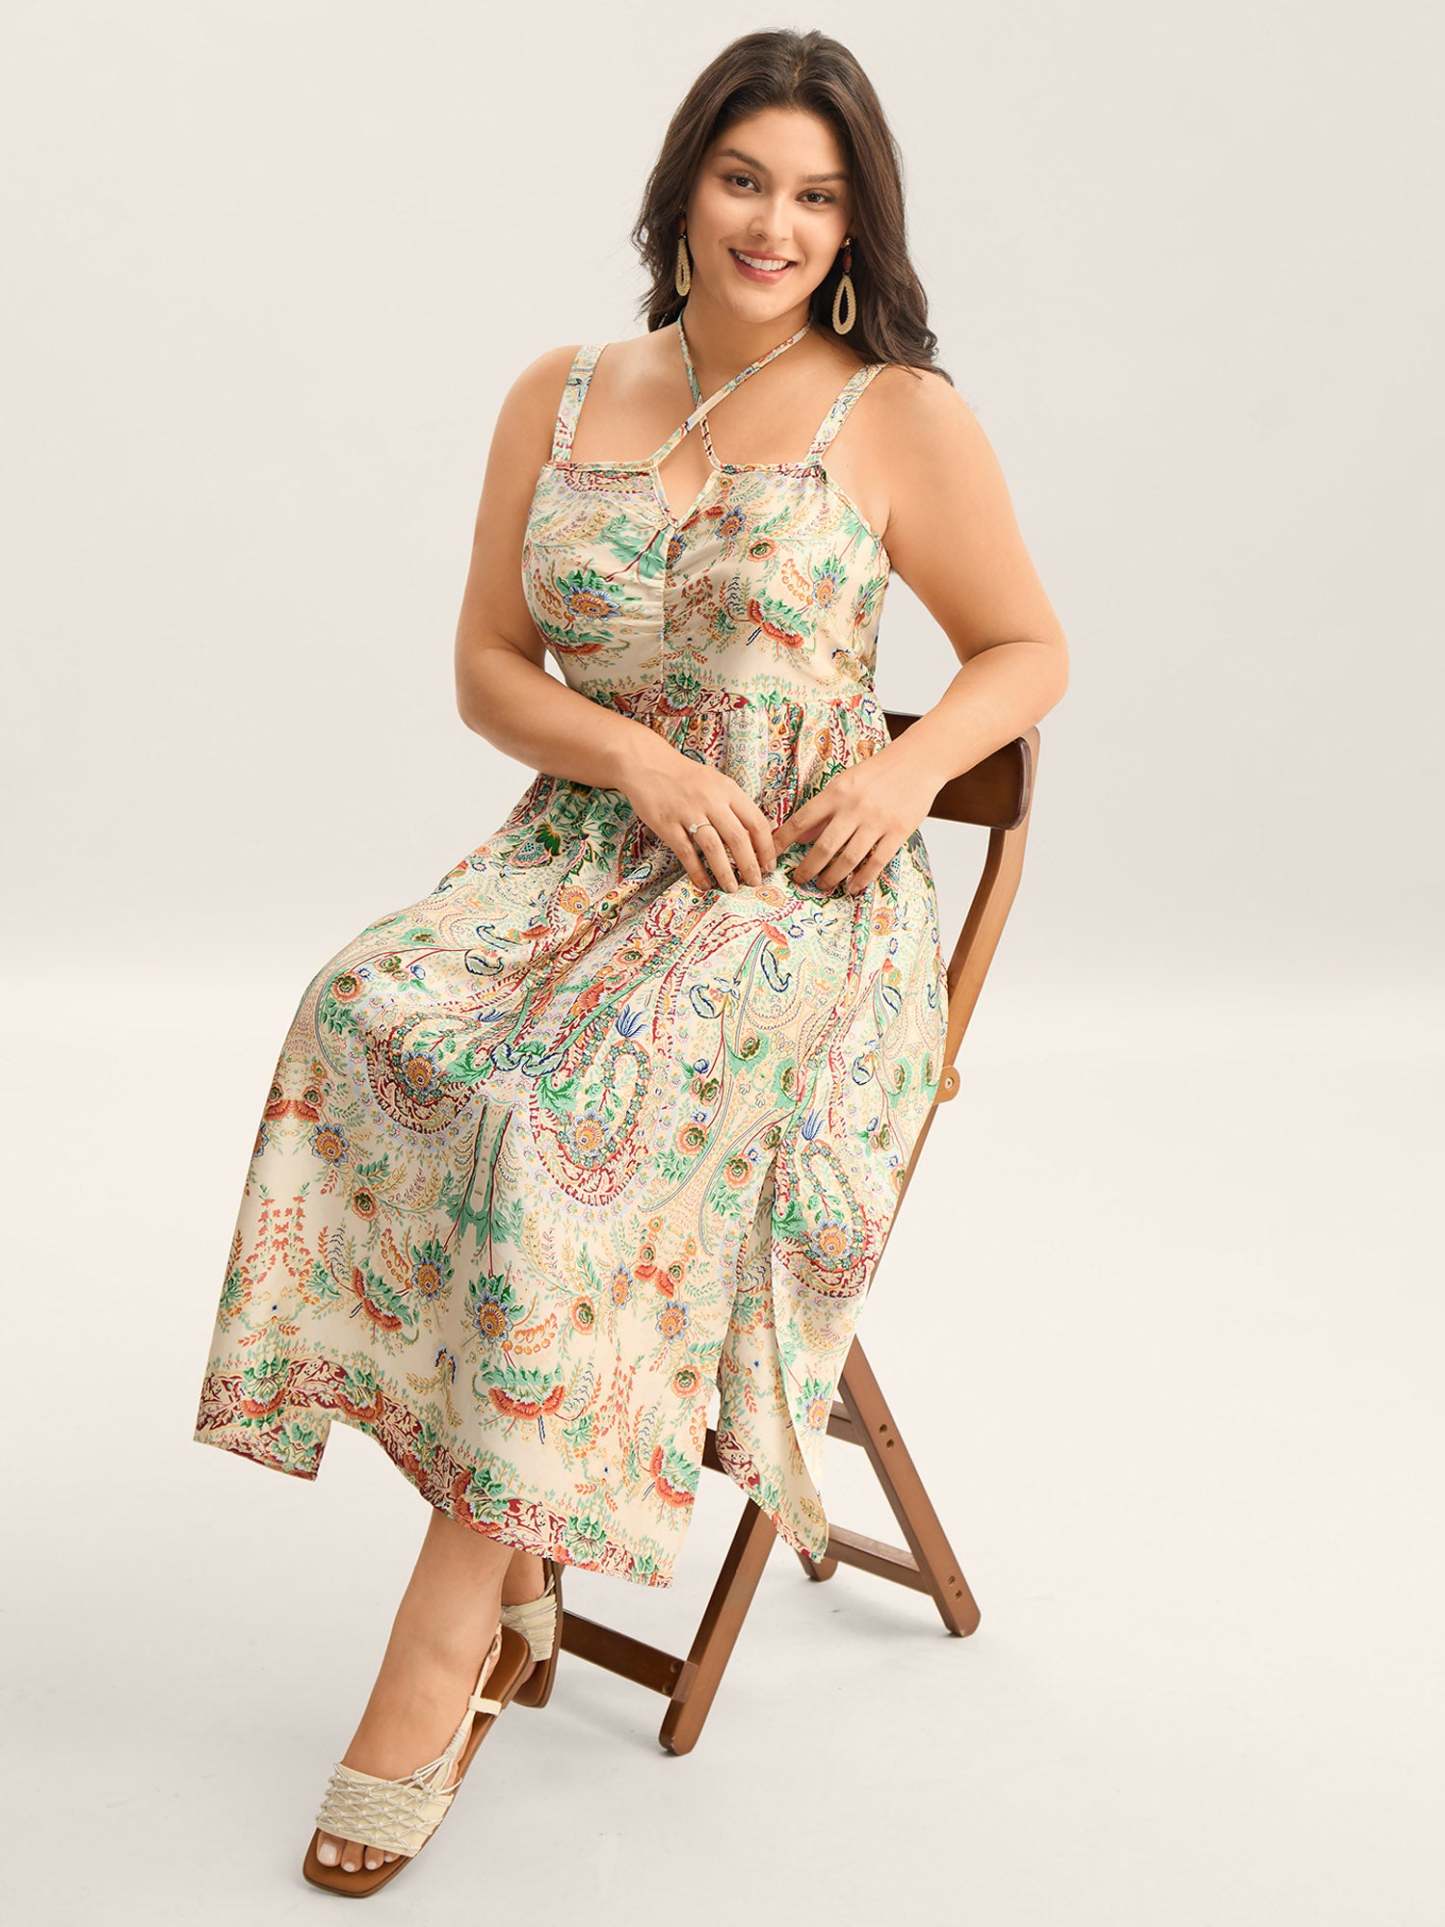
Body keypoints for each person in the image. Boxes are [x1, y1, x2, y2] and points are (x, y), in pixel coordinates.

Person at [191, 25, 1069, 1895]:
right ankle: (512, 1533)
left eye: (817, 197)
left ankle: (442, 1639)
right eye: (745, 179)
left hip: (795, 899)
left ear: (855, 226)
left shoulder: (897, 413)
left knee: (550, 1119)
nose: (774, 224)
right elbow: (487, 669)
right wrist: (639, 762)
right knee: (361, 1016)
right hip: (581, 849)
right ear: (683, 187)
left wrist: (905, 768)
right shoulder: (564, 388)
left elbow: (1024, 651)